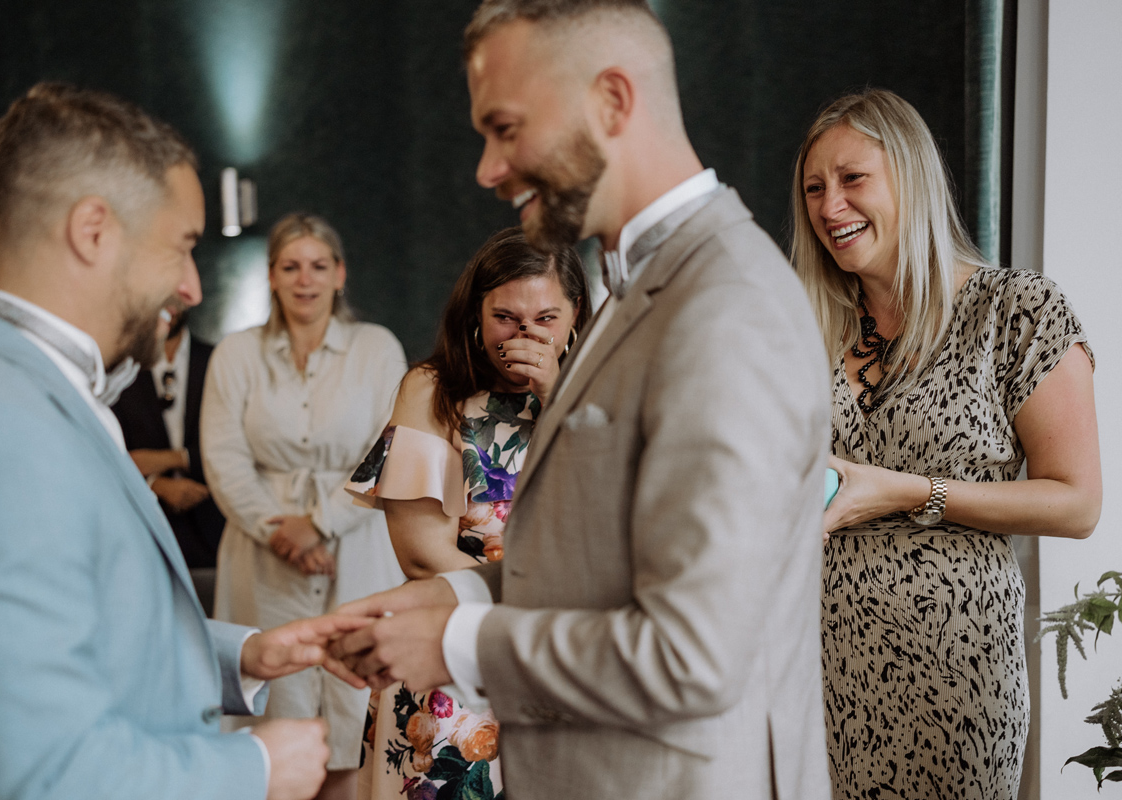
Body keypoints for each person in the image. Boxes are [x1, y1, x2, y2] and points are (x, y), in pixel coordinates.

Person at [327, 3, 833, 799]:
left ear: (612, 100)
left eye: (505, 128)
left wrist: (460, 641)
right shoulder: (637, 288)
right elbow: (593, 568)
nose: (487, 169)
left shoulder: (727, 307)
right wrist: (438, 602)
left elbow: (692, 655)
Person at [0, 83, 367, 800]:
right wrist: (255, 768)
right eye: (182, 246)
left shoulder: (20, 388)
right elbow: (47, 775)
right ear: (93, 231)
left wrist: (244, 655)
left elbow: (85, 626)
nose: (192, 288)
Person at [790, 88, 1100, 799]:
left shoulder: (1015, 310)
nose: (830, 206)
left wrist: (908, 492)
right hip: (810, 671)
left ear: (912, 178)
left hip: (956, 673)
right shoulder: (806, 323)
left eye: (852, 179)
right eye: (814, 188)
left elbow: (1077, 504)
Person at [345, 227, 588, 800]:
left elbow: (609, 521)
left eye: (546, 319)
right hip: (452, 654)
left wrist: (558, 398)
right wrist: (525, 616)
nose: (525, 336)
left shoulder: (600, 399)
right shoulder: (431, 390)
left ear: (576, 316)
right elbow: (420, 555)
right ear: (476, 315)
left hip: (563, 660)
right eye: (506, 318)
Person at [201, 212, 408, 800]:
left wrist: (320, 525)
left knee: (355, 701)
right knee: (276, 696)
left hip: (357, 543)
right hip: (261, 553)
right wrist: (279, 532)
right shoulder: (236, 354)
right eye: (290, 267)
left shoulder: (376, 347)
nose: (304, 280)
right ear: (271, 276)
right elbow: (223, 456)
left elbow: (389, 448)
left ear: (340, 273)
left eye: (318, 266)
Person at [112, 307, 227, 586]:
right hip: (142, 537)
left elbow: (238, 445)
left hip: (215, 533)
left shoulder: (219, 359)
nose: (170, 305)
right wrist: (153, 485)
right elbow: (109, 453)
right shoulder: (119, 365)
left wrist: (174, 459)